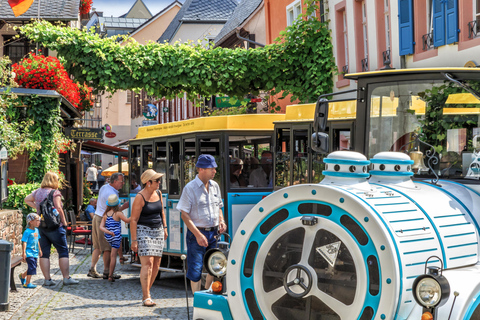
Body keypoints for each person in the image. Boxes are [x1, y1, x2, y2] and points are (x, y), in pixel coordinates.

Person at [177, 154, 227, 294]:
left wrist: (221, 221)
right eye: (212, 168)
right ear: (201, 169)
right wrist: (198, 235)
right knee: (196, 268)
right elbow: (184, 215)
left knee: (215, 265)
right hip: (197, 232)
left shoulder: (215, 186)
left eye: (214, 168)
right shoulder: (190, 188)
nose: (215, 171)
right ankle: (196, 299)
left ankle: (206, 293)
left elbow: (219, 207)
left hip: (214, 232)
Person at [24, 172, 79, 286]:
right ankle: (66, 278)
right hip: (55, 226)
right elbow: (58, 208)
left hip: (42, 227)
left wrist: (38, 208)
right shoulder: (55, 193)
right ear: (54, 180)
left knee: (44, 253)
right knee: (63, 251)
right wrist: (64, 222)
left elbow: (27, 199)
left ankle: (47, 280)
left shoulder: (38, 191)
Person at [130, 169, 168, 307]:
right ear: (148, 182)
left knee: (157, 263)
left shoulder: (158, 193)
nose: (159, 183)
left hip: (157, 230)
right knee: (148, 263)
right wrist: (134, 240)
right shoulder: (140, 197)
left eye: (159, 180)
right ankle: (146, 296)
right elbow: (133, 220)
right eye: (157, 181)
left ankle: (147, 291)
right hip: (143, 230)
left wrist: (165, 227)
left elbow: (162, 211)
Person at [88, 172, 129, 279]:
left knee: (97, 247)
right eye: (121, 181)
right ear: (115, 181)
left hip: (97, 216)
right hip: (104, 220)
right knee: (107, 248)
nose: (123, 183)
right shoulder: (112, 194)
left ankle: (92, 269)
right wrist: (124, 206)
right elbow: (113, 212)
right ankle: (107, 271)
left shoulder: (104, 187)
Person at [100, 194, 131, 282]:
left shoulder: (106, 214)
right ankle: (110, 276)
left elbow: (101, 227)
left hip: (108, 236)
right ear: (117, 204)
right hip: (116, 236)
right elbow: (127, 220)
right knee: (113, 256)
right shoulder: (118, 213)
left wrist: (108, 232)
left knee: (114, 251)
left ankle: (120, 258)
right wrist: (135, 215)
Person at [19, 213, 42, 289]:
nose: (39, 222)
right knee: (32, 267)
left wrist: (40, 250)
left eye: (39, 220)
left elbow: (37, 240)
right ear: (31, 222)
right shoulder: (27, 232)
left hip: (35, 252)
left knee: (33, 267)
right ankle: (27, 283)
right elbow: (24, 242)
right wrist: (24, 252)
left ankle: (23, 275)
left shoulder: (37, 230)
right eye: (37, 220)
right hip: (29, 252)